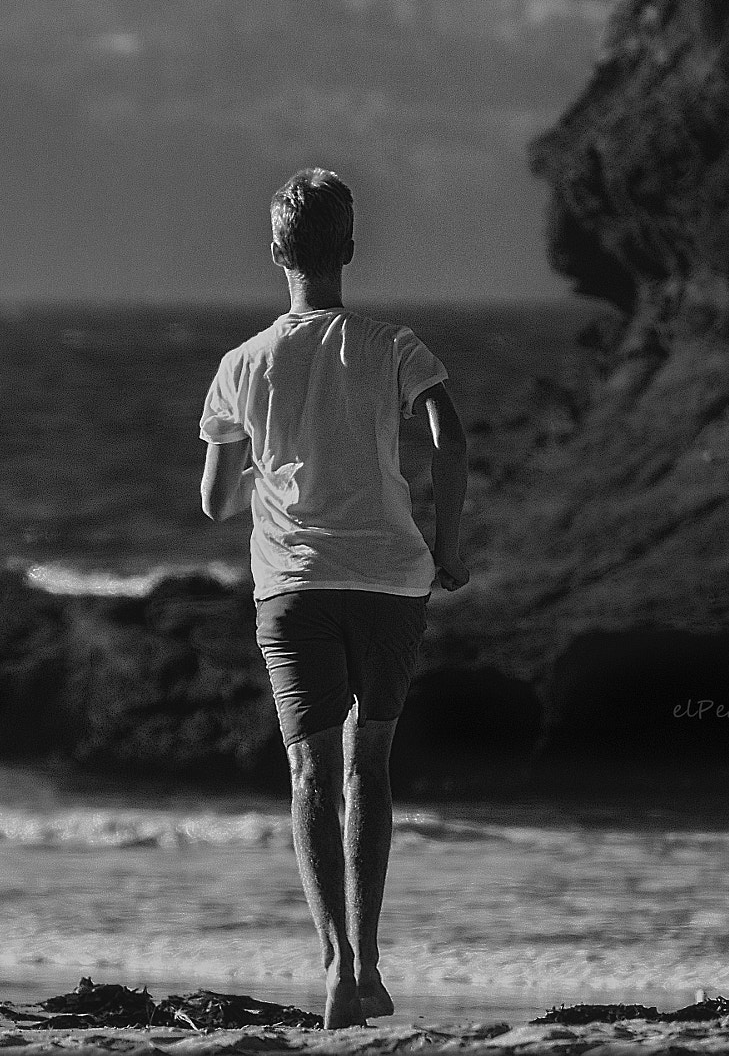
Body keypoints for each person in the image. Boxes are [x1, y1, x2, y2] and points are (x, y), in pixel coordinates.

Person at [196, 168, 469, 1029]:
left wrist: (266, 470)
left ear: (275, 249)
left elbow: (213, 501)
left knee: (311, 771)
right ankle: (373, 959)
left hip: (294, 586)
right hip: (391, 578)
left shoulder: (242, 363)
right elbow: (449, 437)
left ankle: (335, 966)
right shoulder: (392, 344)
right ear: (349, 249)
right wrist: (449, 543)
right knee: (370, 765)